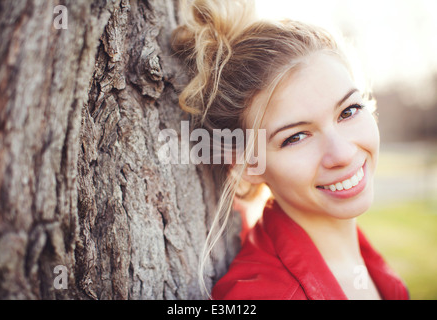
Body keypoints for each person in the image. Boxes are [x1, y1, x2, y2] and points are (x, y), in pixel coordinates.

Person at [171, 0, 409, 300]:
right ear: (247, 165)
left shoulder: (365, 264)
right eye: (295, 137)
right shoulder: (259, 295)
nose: (344, 154)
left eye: (348, 111)